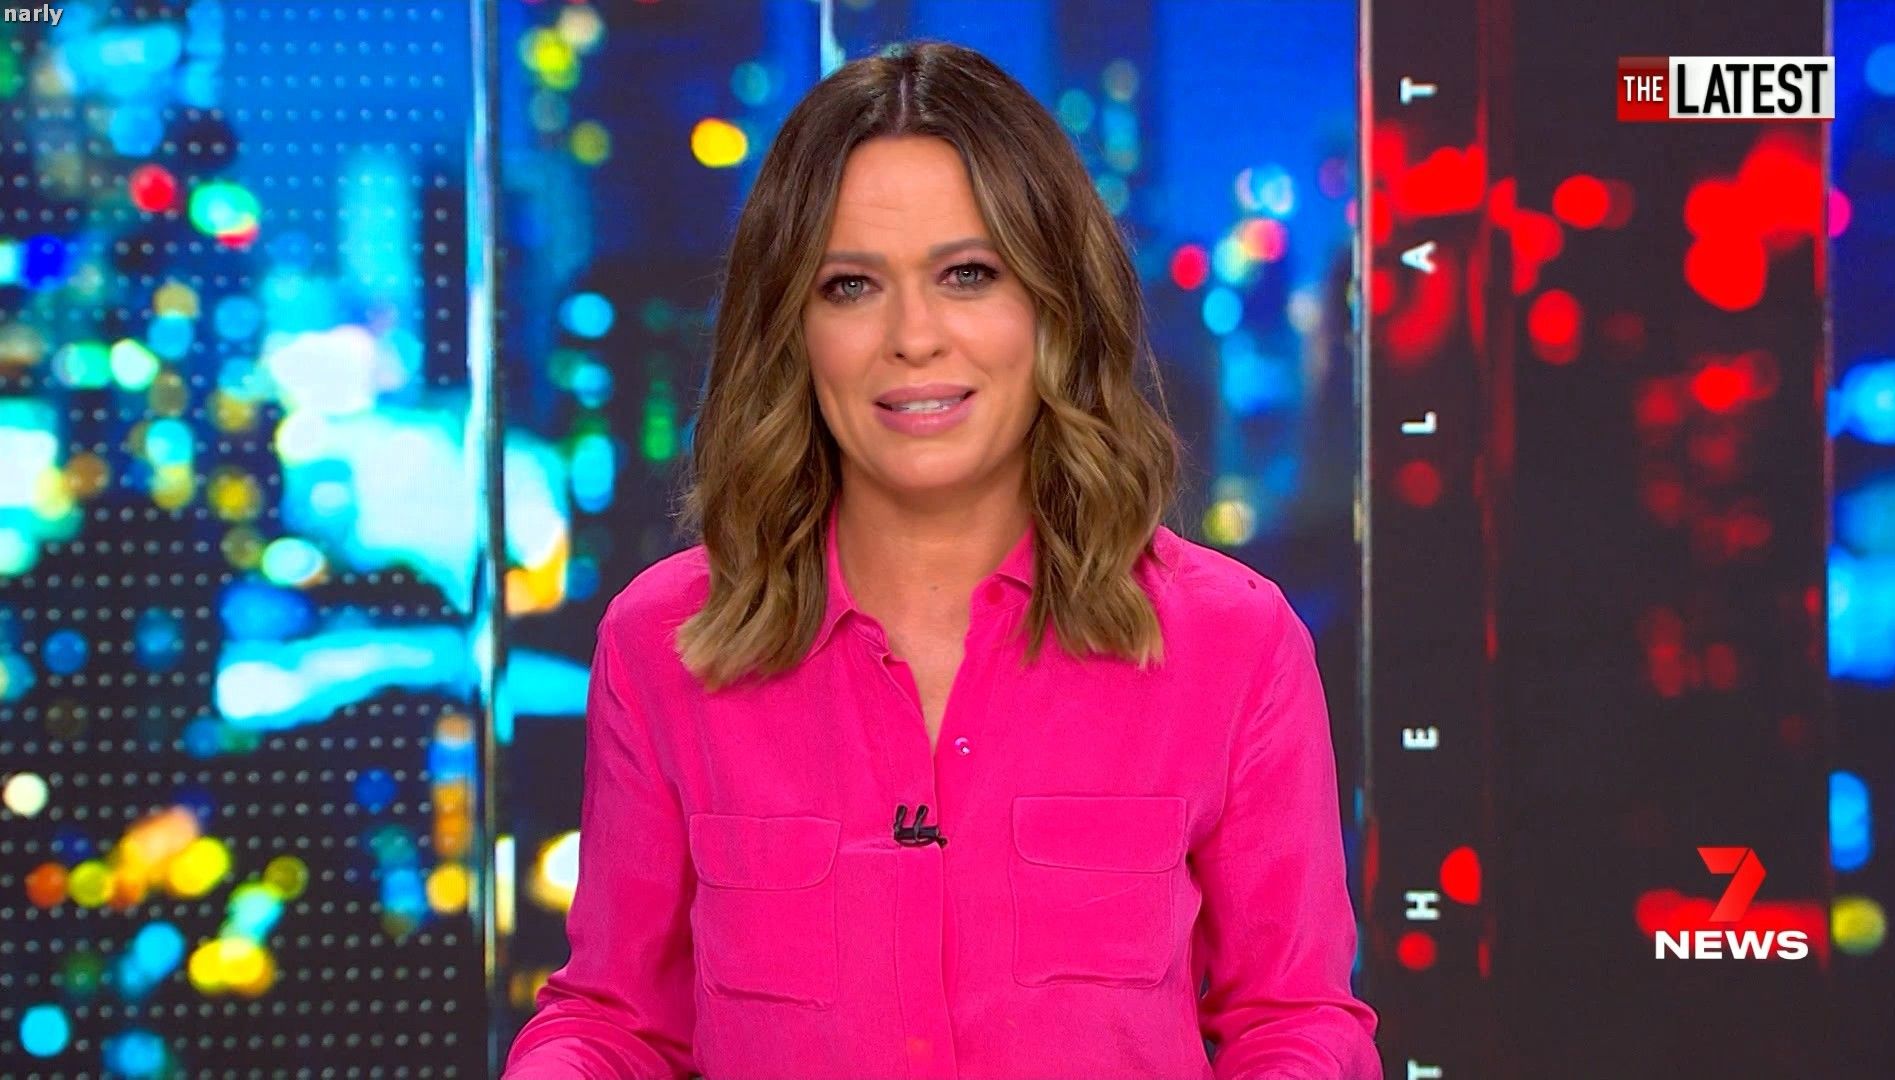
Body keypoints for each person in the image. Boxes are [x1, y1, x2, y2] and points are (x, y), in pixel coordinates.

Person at [502, 39, 1382, 1080]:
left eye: (968, 275)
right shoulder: (665, 641)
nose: (913, 337)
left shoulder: (1232, 642)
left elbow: (1294, 1021)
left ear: (1055, 306)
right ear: (791, 329)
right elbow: (616, 1022)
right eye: (850, 285)